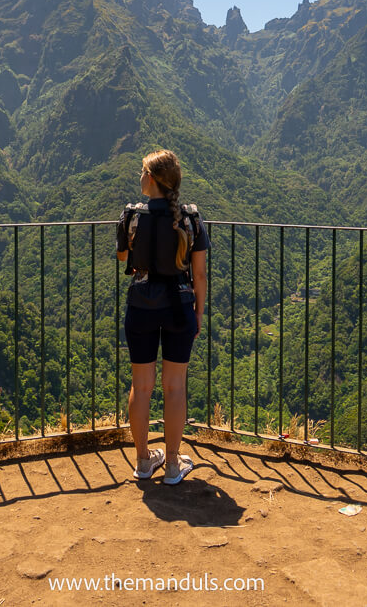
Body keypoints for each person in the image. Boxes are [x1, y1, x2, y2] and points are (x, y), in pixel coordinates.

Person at [116, 149, 208, 485]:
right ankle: (172, 464)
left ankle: (143, 462)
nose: (139, 177)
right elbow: (199, 275)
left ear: (151, 179)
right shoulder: (190, 219)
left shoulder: (131, 216)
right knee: (174, 387)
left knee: (141, 388)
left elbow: (123, 255)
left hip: (140, 304)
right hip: (179, 306)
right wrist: (198, 313)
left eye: (142, 172)